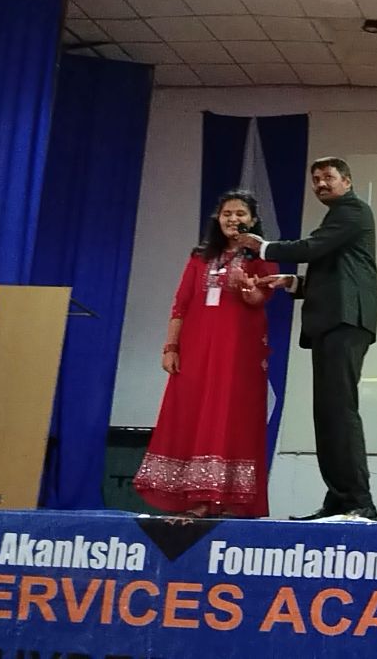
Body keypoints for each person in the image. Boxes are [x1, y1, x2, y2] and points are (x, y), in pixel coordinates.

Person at [236, 157, 377, 520]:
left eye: (328, 177)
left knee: (339, 413)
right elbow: (337, 272)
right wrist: (295, 283)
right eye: (315, 179)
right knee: (328, 415)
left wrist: (264, 248)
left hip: (345, 321)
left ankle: (359, 503)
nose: (320, 184)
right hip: (333, 321)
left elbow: (311, 248)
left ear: (347, 181)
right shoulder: (339, 216)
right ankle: (340, 500)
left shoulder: (353, 210)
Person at [133, 191, 277, 518]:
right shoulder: (199, 257)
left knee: (229, 416)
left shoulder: (262, 256)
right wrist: (171, 347)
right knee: (191, 413)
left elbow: (260, 299)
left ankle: (224, 499)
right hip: (196, 350)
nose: (233, 219)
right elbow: (180, 304)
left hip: (238, 354)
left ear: (253, 220)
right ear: (218, 219)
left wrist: (246, 288)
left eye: (240, 214)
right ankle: (195, 498)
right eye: (227, 213)